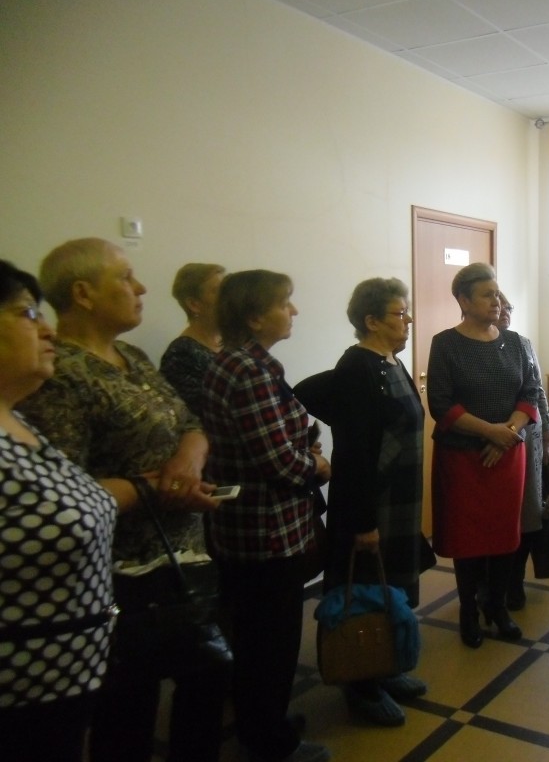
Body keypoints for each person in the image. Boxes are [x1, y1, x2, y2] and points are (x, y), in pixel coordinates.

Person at [15, 238, 227, 762]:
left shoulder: (131, 356)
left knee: (204, 678)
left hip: (180, 556)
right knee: (127, 710)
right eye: (126, 278)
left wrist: (188, 461)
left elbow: (191, 421)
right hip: (121, 573)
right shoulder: (61, 373)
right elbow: (64, 490)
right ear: (83, 293)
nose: (141, 288)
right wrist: (155, 489)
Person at [201, 270, 332, 762]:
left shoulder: (242, 363)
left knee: (260, 640)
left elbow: (281, 435)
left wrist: (303, 444)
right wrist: (317, 465)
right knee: (270, 645)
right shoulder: (249, 371)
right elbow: (277, 462)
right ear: (255, 317)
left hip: (251, 529)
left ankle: (266, 723)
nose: (293, 311)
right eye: (284, 303)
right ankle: (269, 743)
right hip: (267, 532)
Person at [294, 276, 431, 727]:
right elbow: (354, 452)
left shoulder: (391, 361)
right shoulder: (357, 366)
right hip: (372, 504)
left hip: (399, 501)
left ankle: (385, 666)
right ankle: (361, 686)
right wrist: (363, 522)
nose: (408, 320)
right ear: (371, 321)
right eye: (399, 313)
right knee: (366, 589)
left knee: (388, 587)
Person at [0, 260, 119, 762]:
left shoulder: (17, 421)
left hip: (63, 682)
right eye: (27, 313)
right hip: (20, 688)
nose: (47, 330)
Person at [427, 262, 540, 648]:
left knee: (505, 536)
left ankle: (497, 606)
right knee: (468, 539)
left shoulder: (515, 342)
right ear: (463, 300)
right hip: (463, 459)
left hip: (507, 456)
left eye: (497, 294)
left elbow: (530, 392)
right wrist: (490, 432)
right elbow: (441, 405)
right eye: (487, 295)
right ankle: (468, 611)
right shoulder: (446, 344)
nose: (497, 301)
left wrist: (507, 433)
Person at [495, 291, 549, 609]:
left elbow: (537, 392)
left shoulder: (523, 343)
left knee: (528, 514)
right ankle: (491, 585)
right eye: (498, 305)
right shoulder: (472, 347)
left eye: (509, 306)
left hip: (529, 439)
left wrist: (548, 435)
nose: (504, 311)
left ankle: (515, 582)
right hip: (494, 439)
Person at [160, 262, 225, 416]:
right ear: (194, 304)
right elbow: (195, 417)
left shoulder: (232, 341)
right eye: (218, 291)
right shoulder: (181, 354)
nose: (229, 298)